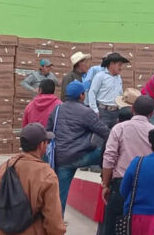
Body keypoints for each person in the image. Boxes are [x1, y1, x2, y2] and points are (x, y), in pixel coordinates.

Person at [89, 95, 154, 235]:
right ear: (152, 113)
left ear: (133, 109)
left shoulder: (119, 128)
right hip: (145, 186)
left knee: (113, 232)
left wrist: (105, 183)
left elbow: (109, 157)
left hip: (121, 184)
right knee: (139, 233)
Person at [46, 81, 110, 214]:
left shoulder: (57, 109)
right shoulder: (86, 112)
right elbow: (105, 133)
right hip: (81, 156)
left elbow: (48, 131)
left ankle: (56, 223)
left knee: (60, 196)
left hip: (61, 158)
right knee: (106, 155)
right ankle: (109, 182)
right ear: (81, 95)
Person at [87, 52, 130, 128]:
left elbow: (120, 93)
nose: (121, 68)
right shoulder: (100, 76)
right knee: (100, 133)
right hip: (103, 112)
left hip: (116, 112)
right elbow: (92, 93)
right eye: (119, 65)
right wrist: (95, 110)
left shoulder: (118, 78)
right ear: (112, 64)